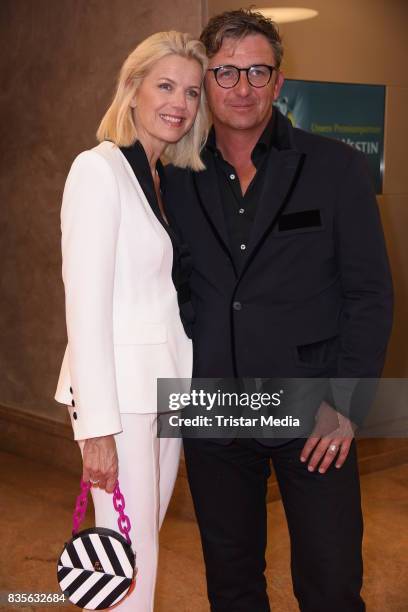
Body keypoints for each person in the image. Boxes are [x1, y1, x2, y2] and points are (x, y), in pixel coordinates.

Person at [164, 9, 393, 612]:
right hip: (216, 413)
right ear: (206, 80)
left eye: (257, 71)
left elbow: (370, 294)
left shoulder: (337, 167)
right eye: (226, 72)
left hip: (312, 410)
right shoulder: (176, 177)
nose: (242, 87)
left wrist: (344, 407)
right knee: (233, 587)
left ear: (279, 82)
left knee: (331, 585)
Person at [54, 31, 208, 611]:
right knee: (126, 559)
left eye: (191, 92)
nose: (179, 102)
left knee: (140, 546)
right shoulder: (98, 170)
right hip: (120, 400)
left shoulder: (164, 180)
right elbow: (84, 306)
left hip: (168, 390)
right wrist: (97, 426)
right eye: (165, 85)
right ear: (132, 89)